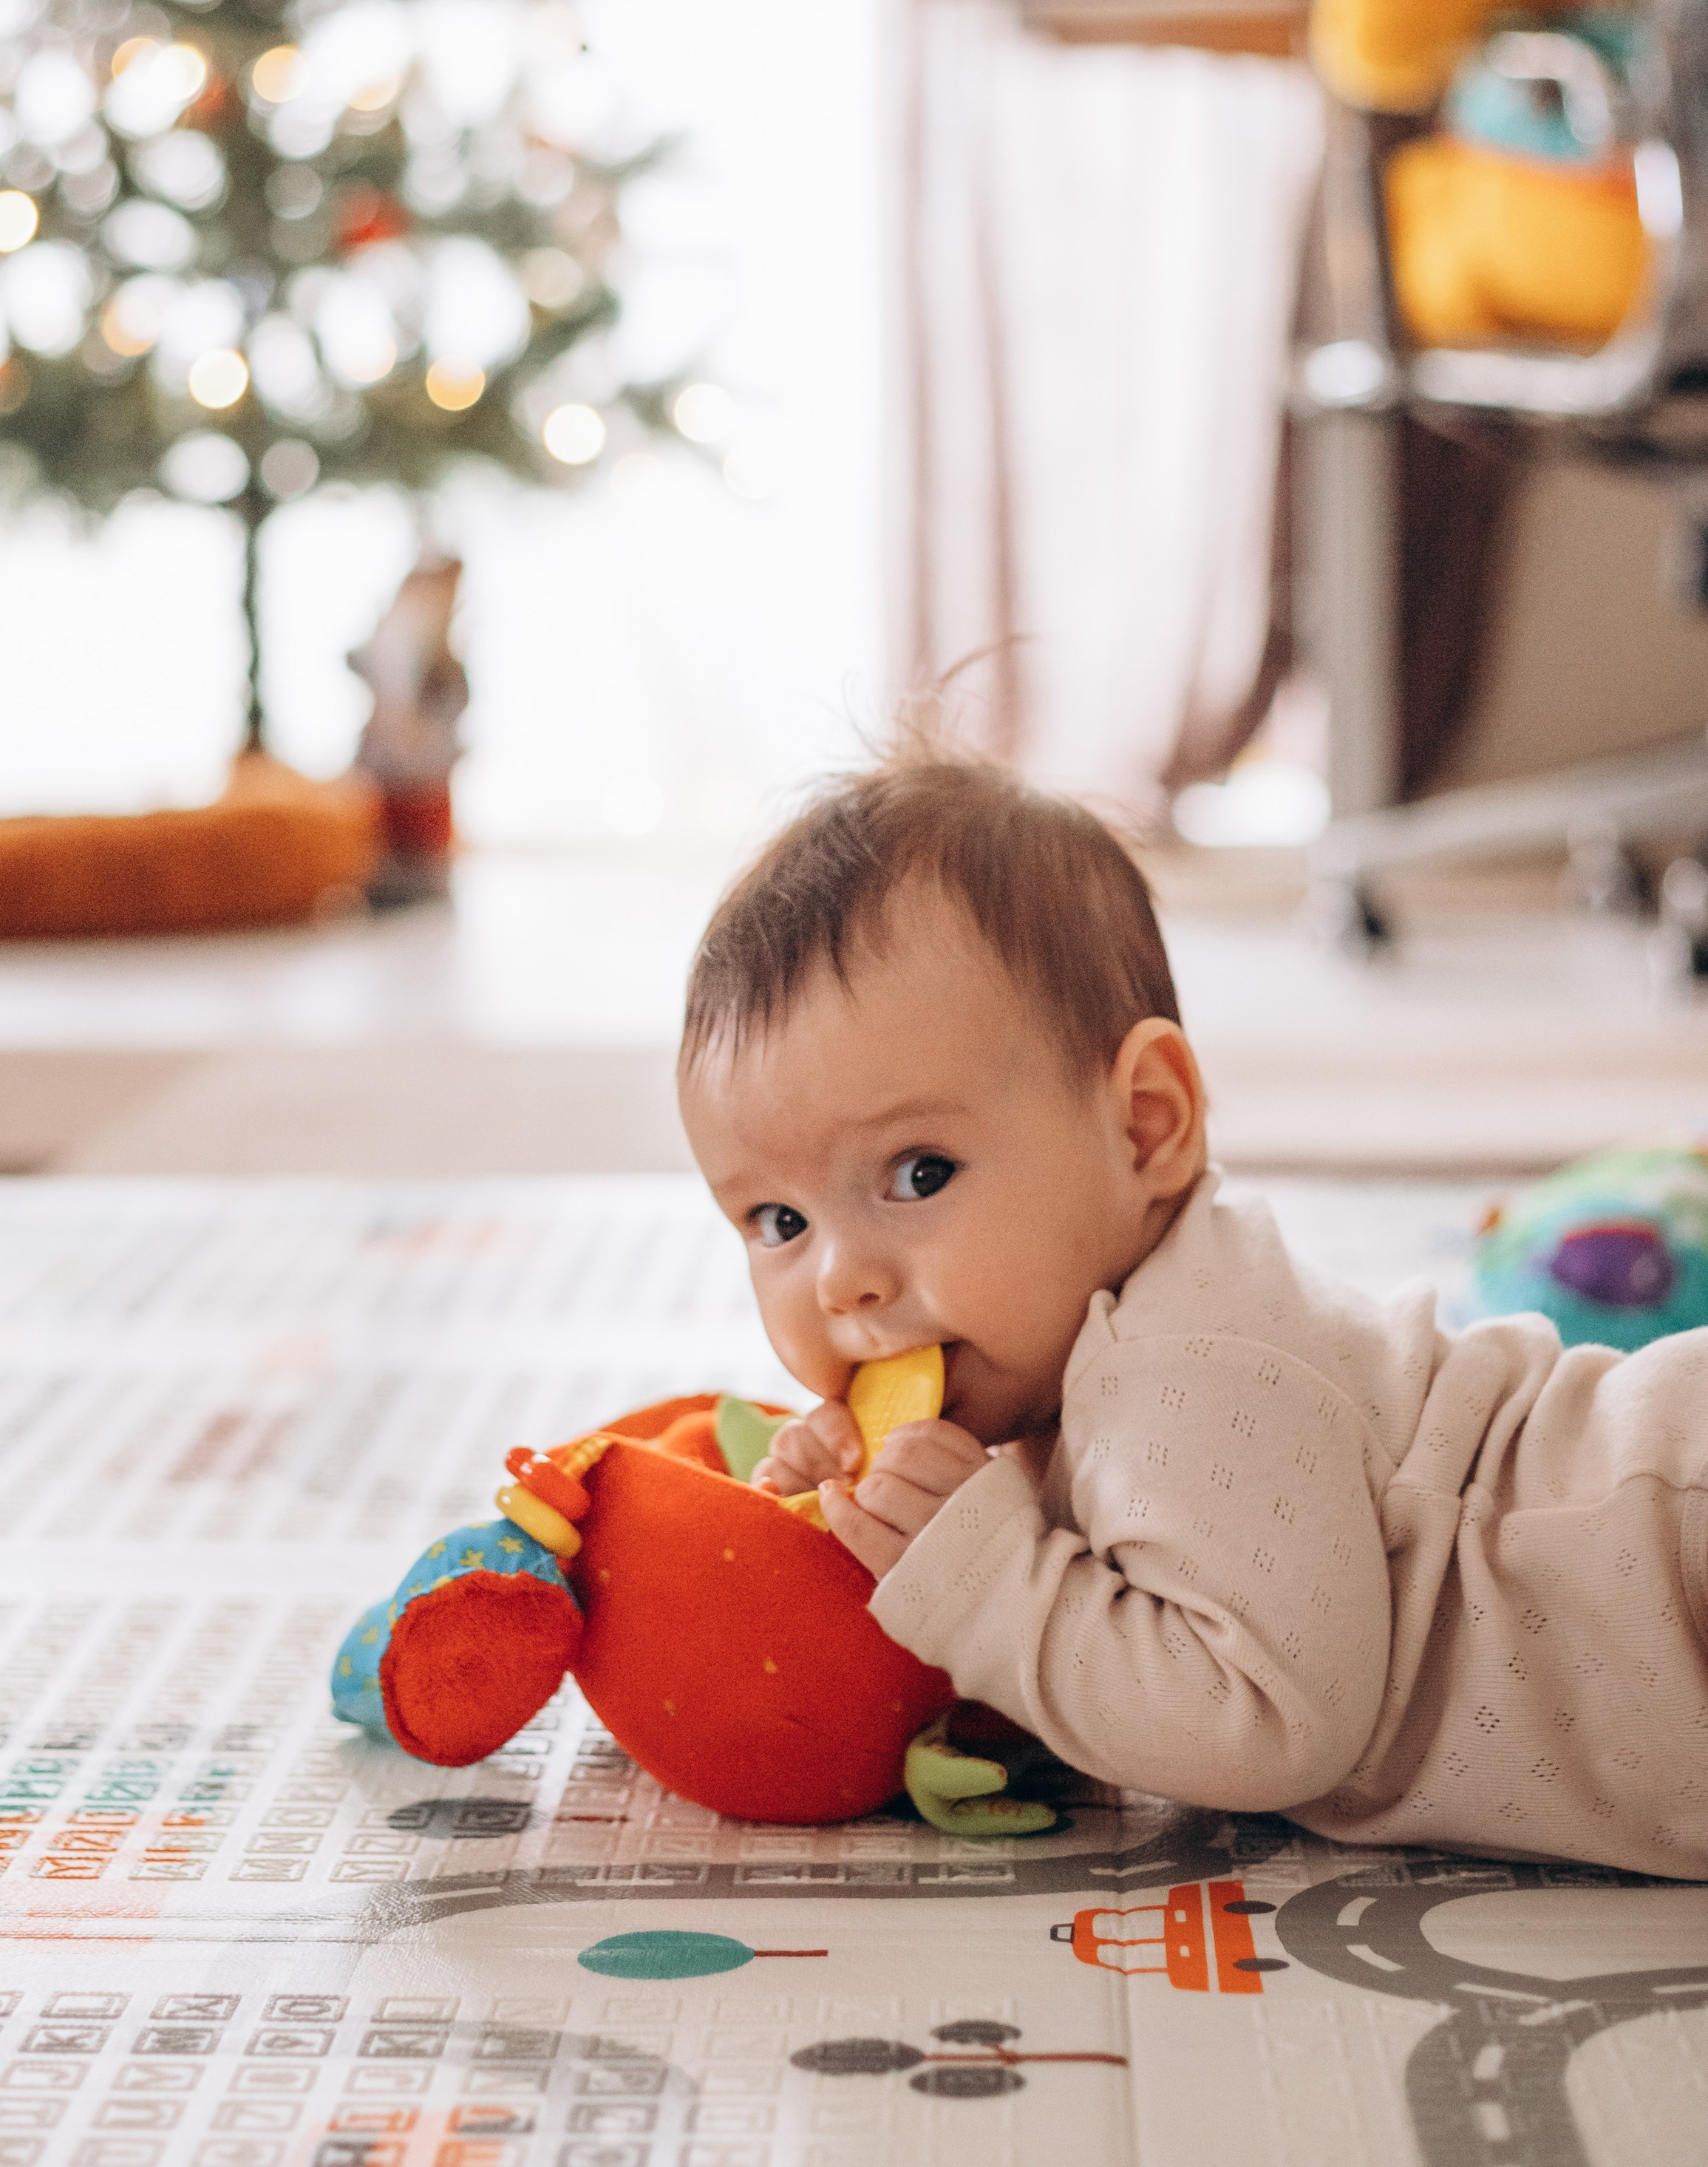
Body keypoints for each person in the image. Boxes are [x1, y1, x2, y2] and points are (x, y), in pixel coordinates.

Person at [676, 749, 1708, 1878]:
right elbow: (1107, 1638)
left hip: (1660, 1566)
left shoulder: (1191, 1371)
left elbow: (1269, 1726)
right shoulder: (1063, 1367)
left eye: (919, 1174)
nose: (842, 1283)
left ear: (1146, 1127)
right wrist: (857, 1538)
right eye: (778, 1222)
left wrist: (982, 1582)